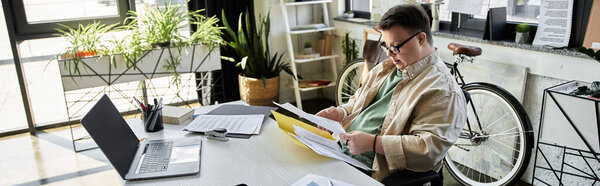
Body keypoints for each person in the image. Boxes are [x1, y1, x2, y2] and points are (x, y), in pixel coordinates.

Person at [316, 4, 467, 182]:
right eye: (385, 46)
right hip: (340, 150)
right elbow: (359, 100)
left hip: (370, 169)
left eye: (395, 47)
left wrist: (373, 143)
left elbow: (428, 149)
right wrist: (341, 112)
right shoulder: (388, 67)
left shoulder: (442, 89)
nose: (389, 54)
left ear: (420, 39)